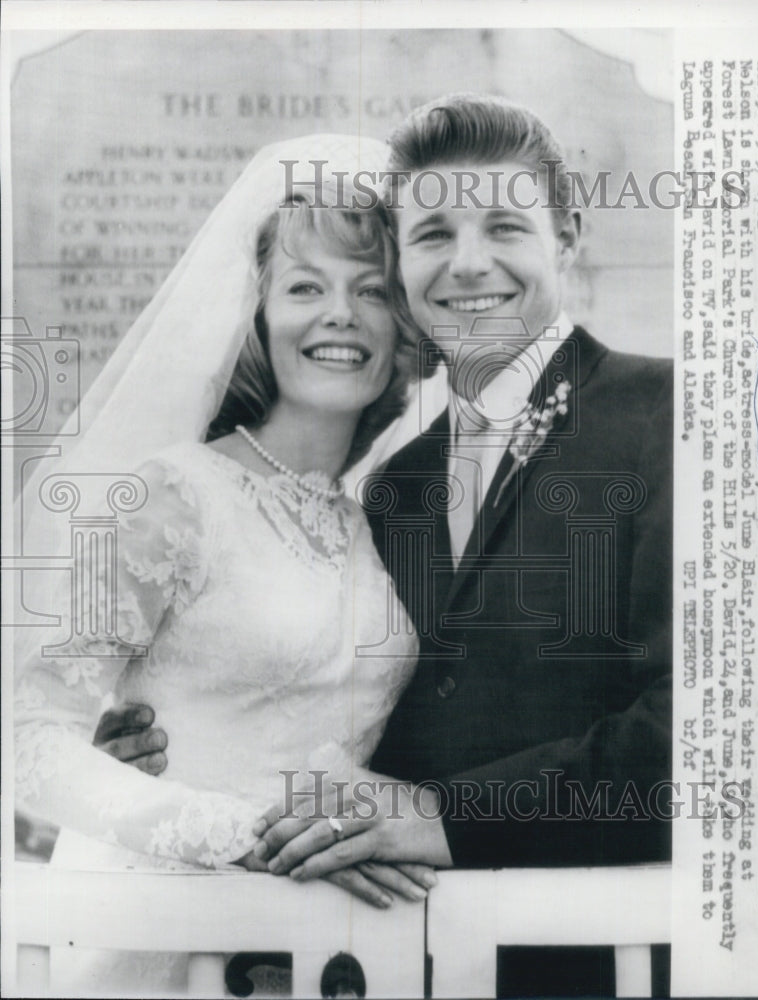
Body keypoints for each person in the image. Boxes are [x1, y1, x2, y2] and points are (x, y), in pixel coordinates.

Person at [105, 97, 672, 886]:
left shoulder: (669, 413)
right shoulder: (396, 489)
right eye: (434, 235)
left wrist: (443, 817)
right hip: (387, 946)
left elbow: (707, 726)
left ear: (566, 238)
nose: (468, 264)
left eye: (504, 227)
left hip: (594, 946)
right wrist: (142, 755)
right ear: (404, 267)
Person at [13, 134, 440, 994]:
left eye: (371, 291)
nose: (340, 315)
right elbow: (25, 741)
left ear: (405, 324)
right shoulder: (162, 494)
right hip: (165, 942)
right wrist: (247, 836)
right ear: (257, 312)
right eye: (305, 288)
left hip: (328, 960)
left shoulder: (376, 521)